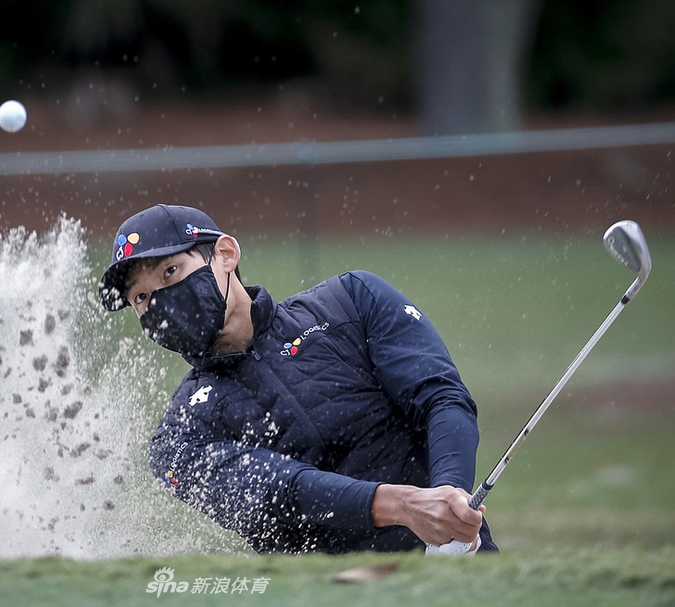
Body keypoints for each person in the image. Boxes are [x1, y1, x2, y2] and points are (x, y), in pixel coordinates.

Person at [99, 204, 497, 554]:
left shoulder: (352, 300)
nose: (159, 303)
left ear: (225, 254)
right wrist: (406, 507)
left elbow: (441, 397)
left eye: (170, 271)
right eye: (141, 298)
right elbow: (283, 491)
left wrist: (451, 501)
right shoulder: (178, 438)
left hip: (460, 564)